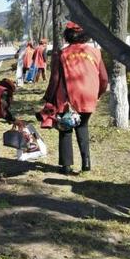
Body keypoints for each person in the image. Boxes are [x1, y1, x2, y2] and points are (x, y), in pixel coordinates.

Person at [44, 22, 108, 175]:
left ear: (67, 35)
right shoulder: (95, 52)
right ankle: (86, 164)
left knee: (65, 129)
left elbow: (55, 79)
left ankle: (66, 167)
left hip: (68, 99)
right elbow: (104, 79)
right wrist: (97, 94)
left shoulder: (61, 54)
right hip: (88, 97)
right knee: (83, 126)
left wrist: (48, 98)